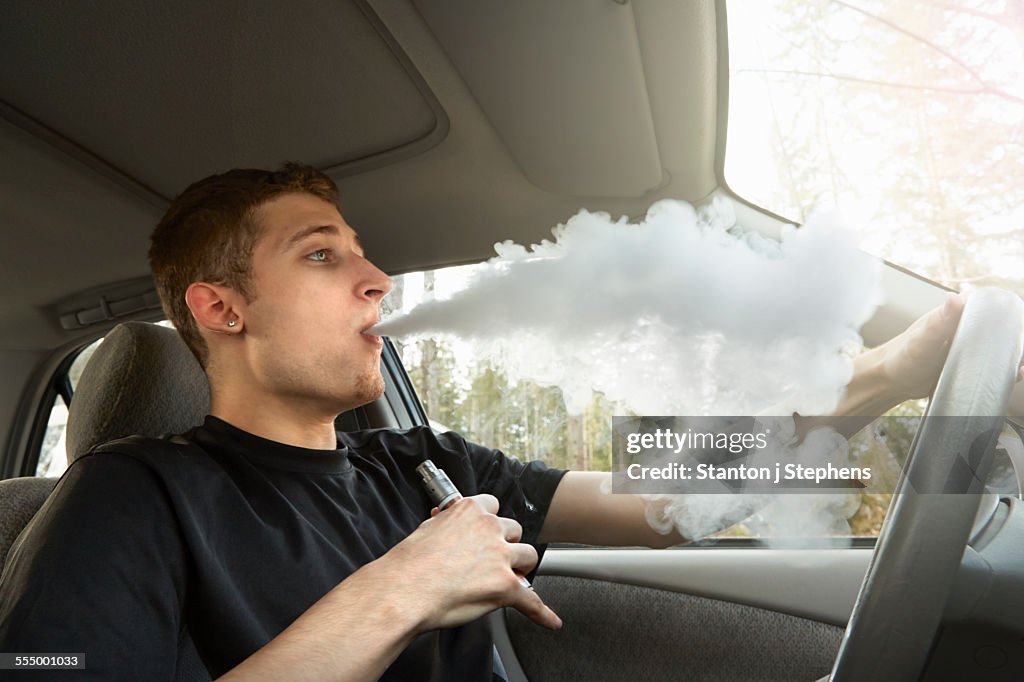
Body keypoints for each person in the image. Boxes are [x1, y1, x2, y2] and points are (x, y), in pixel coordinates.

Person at [0, 163, 995, 680]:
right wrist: (404, 586)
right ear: (221, 307)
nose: (378, 278)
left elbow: (662, 503)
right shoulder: (125, 497)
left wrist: (880, 379)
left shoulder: (415, 461)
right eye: (319, 256)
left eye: (363, 254)